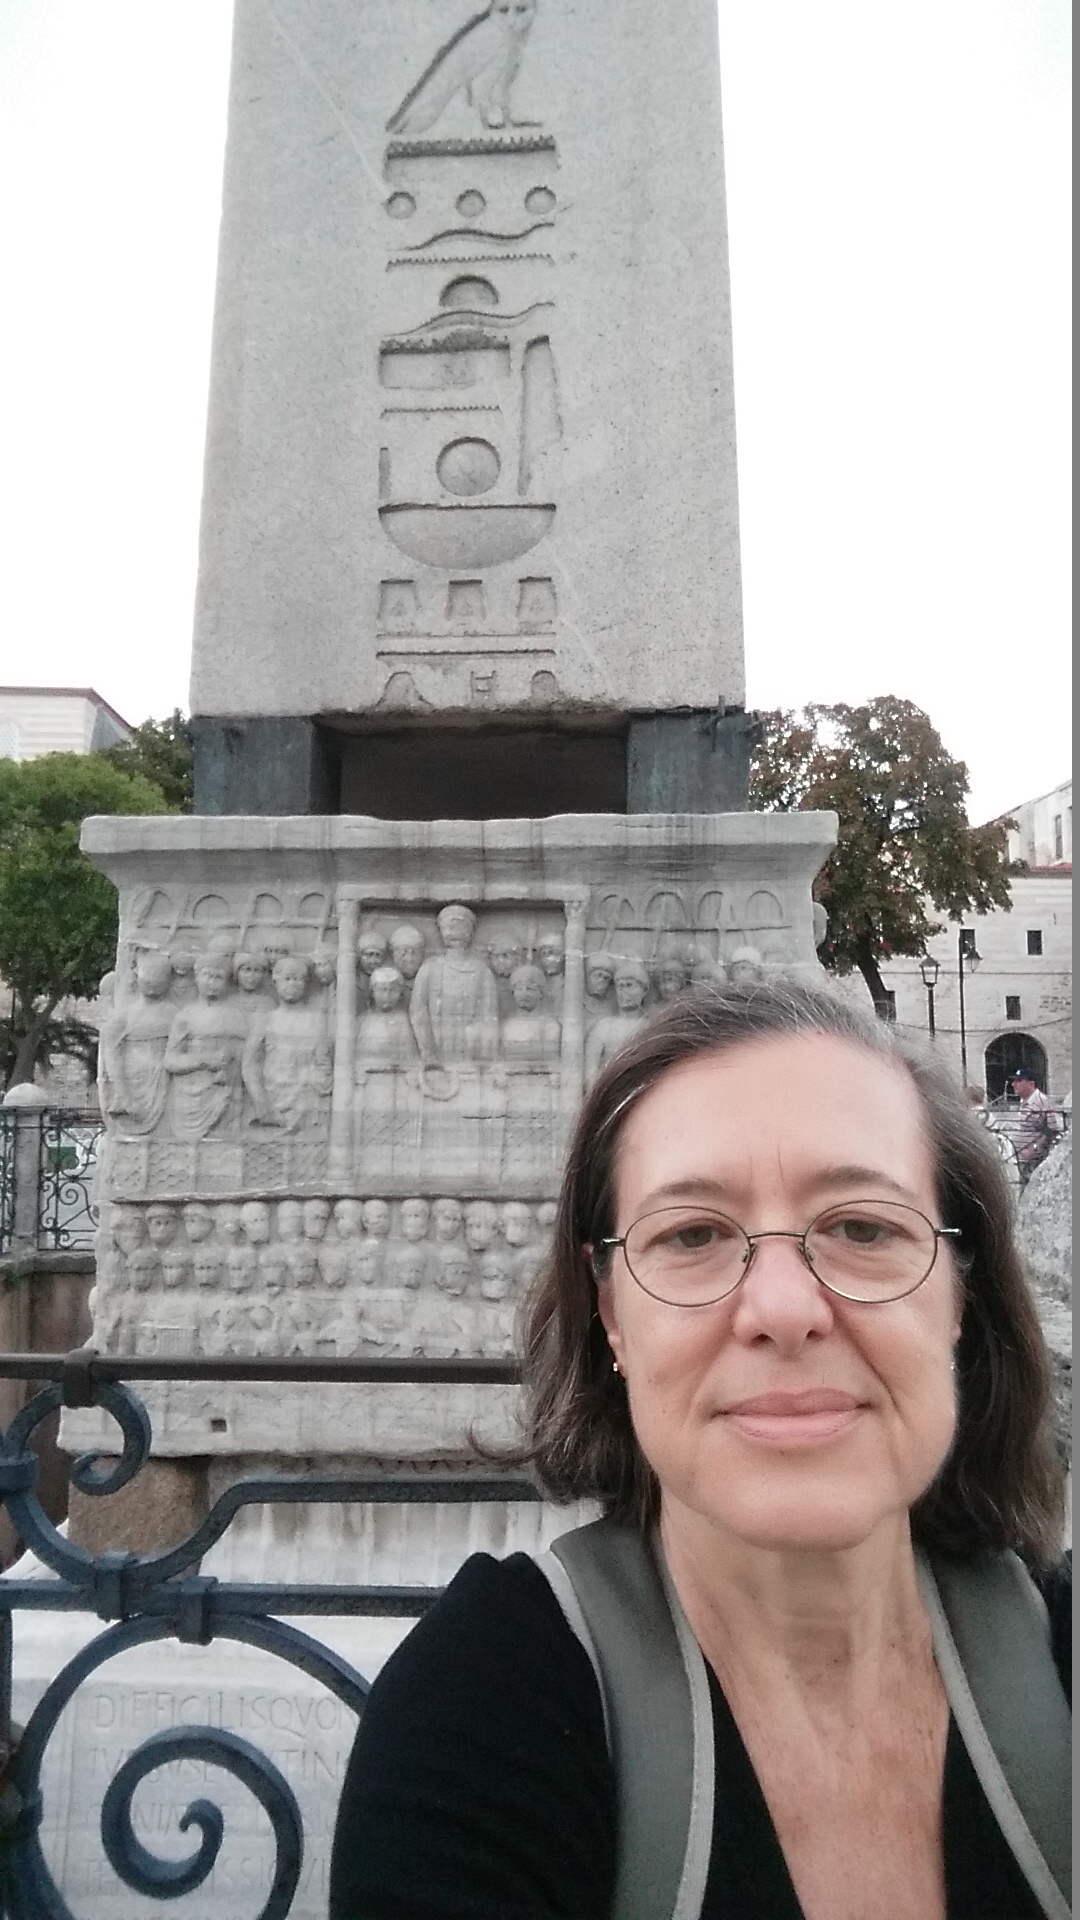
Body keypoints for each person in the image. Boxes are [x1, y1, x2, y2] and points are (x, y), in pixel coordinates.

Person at [330, 982, 1069, 1920]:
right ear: (612, 1320)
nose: (784, 1309)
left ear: (960, 1298)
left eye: (862, 1228)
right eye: (692, 1236)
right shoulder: (485, 1716)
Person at [1010, 1069, 1063, 1184]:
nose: (1013, 1084)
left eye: (1018, 1081)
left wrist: (1033, 1148)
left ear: (1031, 1083)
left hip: (1034, 1160)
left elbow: (1051, 1129)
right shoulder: (1024, 1101)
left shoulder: (1040, 1101)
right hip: (1022, 1159)